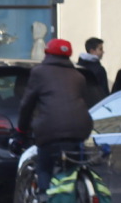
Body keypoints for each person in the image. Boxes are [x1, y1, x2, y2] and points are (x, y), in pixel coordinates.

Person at [17, 38, 93, 192]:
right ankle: (79, 201)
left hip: (50, 131)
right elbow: (85, 103)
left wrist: (21, 130)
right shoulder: (78, 76)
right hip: (79, 129)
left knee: (44, 168)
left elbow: (27, 104)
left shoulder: (39, 72)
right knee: (74, 167)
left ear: (47, 54)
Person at [76, 37, 108, 107]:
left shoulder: (78, 67)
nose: (103, 52)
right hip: (96, 107)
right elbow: (103, 91)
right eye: (100, 49)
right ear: (92, 51)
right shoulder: (99, 69)